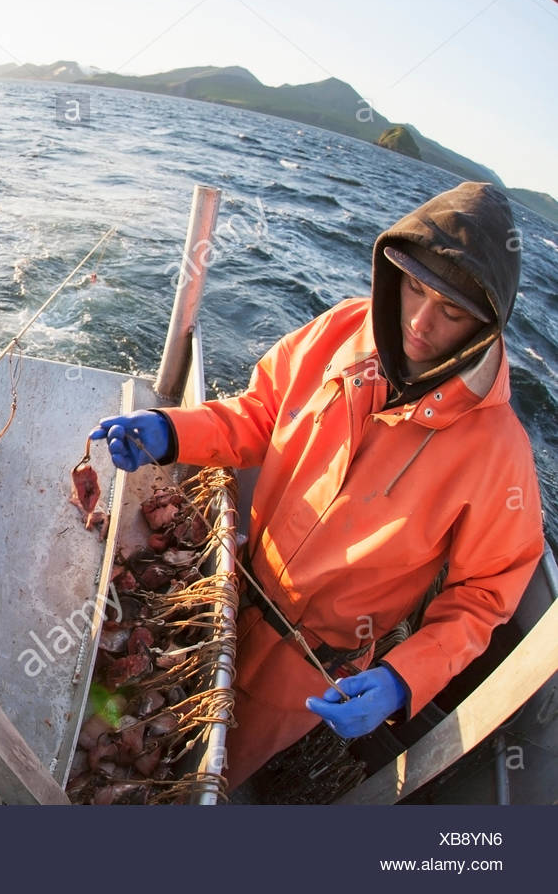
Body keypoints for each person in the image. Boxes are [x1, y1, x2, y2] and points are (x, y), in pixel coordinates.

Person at [89, 181, 544, 789]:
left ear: (485, 326)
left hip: (308, 668)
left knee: (201, 779)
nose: (420, 321)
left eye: (452, 312)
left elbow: (486, 592)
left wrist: (405, 677)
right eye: (413, 288)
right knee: (124, 718)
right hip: (228, 586)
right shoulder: (342, 332)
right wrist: (171, 432)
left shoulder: (499, 451)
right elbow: (258, 415)